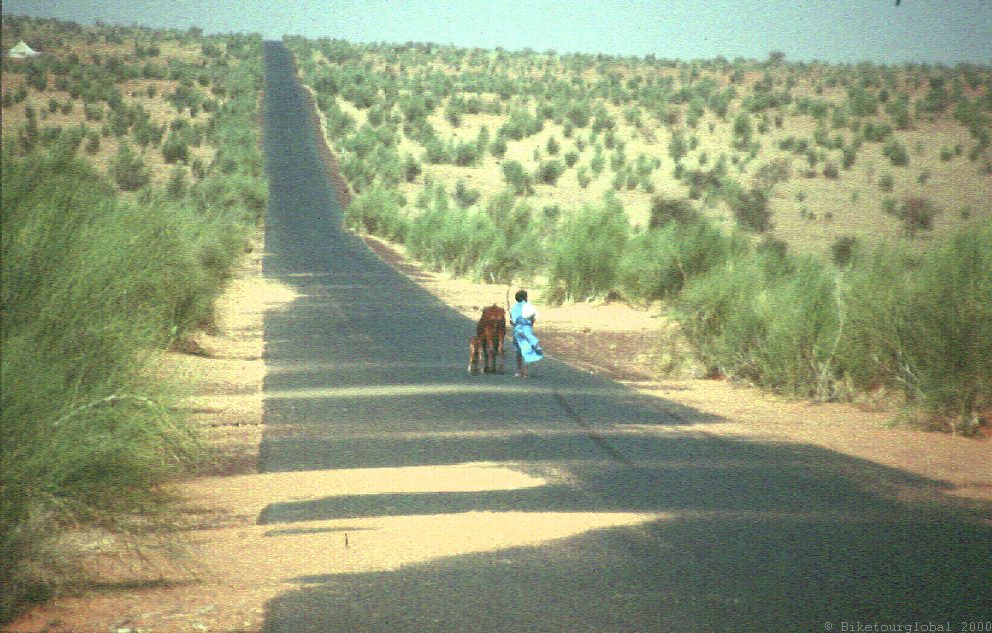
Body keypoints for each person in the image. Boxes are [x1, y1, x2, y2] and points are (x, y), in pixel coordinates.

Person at [509, 289, 543, 377]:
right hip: (527, 330)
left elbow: (513, 321)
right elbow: (533, 319)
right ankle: (526, 371)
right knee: (527, 348)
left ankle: (519, 370)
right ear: (525, 297)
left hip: (518, 330)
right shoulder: (529, 306)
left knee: (518, 350)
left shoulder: (514, 307)